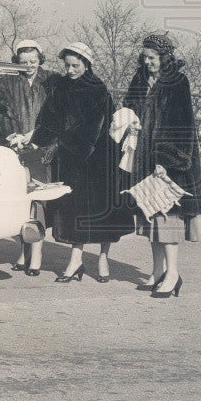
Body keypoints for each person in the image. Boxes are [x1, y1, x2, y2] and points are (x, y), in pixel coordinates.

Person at [26, 42, 132, 282]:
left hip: (100, 157)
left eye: (76, 66)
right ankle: (76, 262)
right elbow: (50, 119)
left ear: (87, 65)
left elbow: (92, 129)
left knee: (102, 212)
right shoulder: (61, 87)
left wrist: (61, 145)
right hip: (73, 157)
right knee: (76, 211)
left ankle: (103, 258)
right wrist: (37, 141)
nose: (71, 70)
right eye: (68, 66)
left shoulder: (98, 89)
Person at [121, 34, 201, 298]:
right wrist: (129, 120)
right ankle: (158, 270)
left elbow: (182, 124)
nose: (148, 63)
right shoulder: (139, 79)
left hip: (169, 164)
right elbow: (128, 106)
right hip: (143, 158)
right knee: (150, 217)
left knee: (166, 219)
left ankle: (173, 274)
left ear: (165, 58)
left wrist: (166, 161)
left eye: (153, 58)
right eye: (145, 58)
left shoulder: (177, 81)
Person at [0, 38, 58, 276]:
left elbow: (56, 115)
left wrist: (38, 137)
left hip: (43, 148)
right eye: (24, 62)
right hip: (17, 146)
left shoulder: (52, 81)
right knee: (22, 200)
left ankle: (37, 254)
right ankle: (23, 250)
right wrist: (14, 137)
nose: (29, 65)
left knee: (38, 199)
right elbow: (3, 112)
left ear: (40, 60)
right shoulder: (7, 82)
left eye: (33, 61)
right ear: (17, 62)